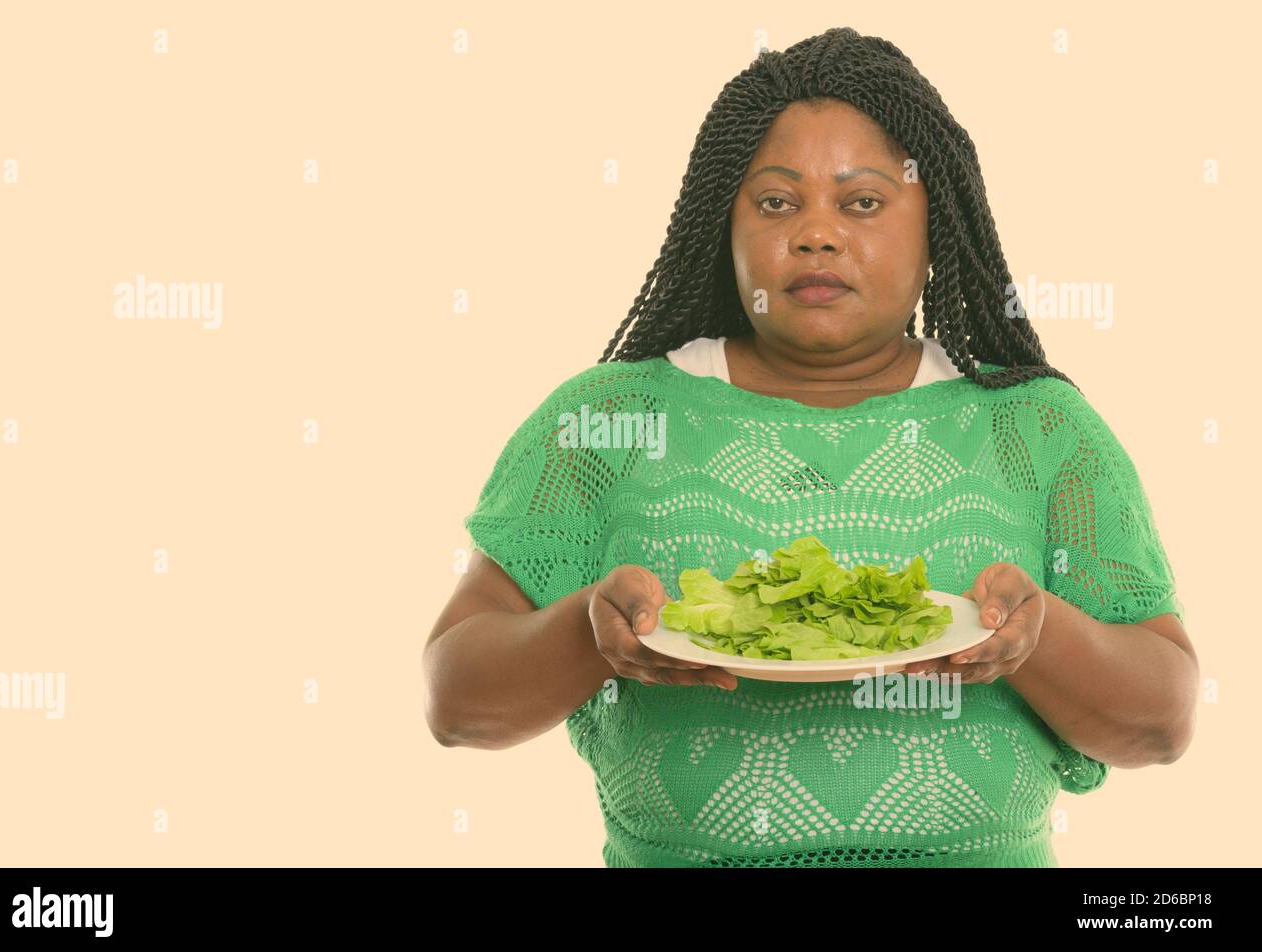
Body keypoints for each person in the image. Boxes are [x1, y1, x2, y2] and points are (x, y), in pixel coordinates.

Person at [424, 27, 1198, 867]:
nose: (817, 235)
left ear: (935, 216)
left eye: (862, 201)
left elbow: (1162, 724)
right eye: (776, 202)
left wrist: (1033, 638)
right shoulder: (604, 421)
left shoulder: (1040, 429)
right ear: (721, 221)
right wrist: (587, 631)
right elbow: (456, 701)